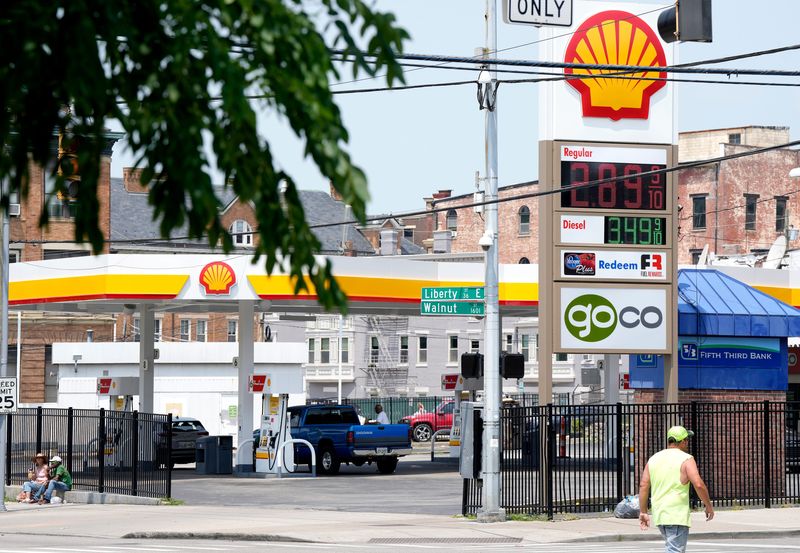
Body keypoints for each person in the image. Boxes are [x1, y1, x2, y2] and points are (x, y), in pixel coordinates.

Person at [639, 425, 714, 553]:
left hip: (660, 514)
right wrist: (708, 506)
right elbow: (698, 484)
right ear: (683, 441)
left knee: (672, 548)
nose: (688, 443)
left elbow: (644, 485)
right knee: (675, 551)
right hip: (676, 514)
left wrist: (643, 511)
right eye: (687, 440)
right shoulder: (686, 459)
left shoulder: (654, 458)